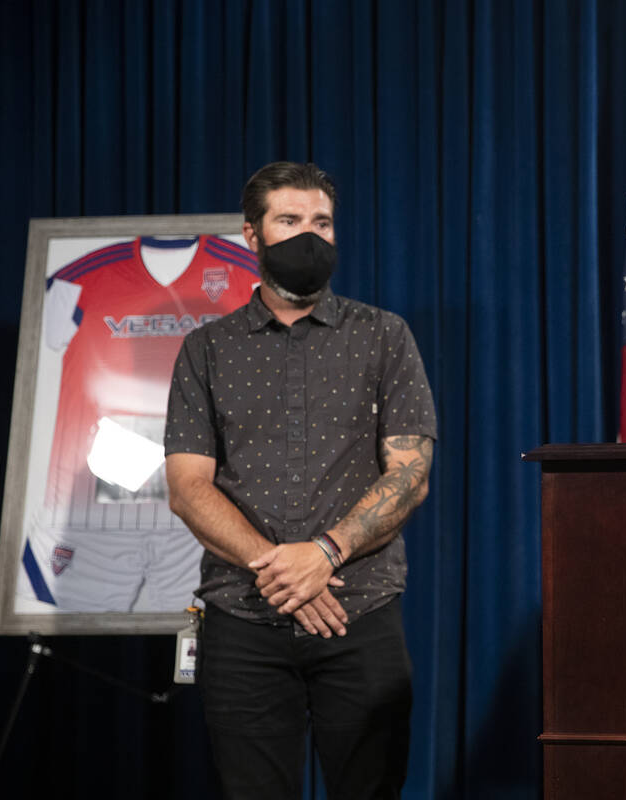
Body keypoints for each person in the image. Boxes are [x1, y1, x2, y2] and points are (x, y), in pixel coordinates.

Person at [164, 161, 436, 799]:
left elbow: (411, 473)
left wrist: (326, 553)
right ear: (252, 235)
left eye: (322, 222)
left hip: (360, 616)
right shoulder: (206, 350)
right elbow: (187, 486)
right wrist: (285, 571)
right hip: (243, 622)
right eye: (288, 221)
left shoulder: (384, 337)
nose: (308, 235)